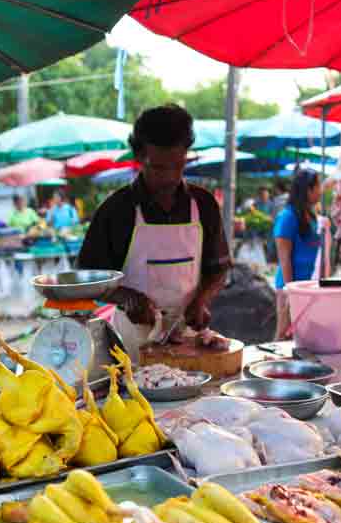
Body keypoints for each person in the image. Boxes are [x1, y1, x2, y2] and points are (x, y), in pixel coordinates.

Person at [78, 104, 231, 349]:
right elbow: (87, 278)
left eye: (178, 166)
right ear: (139, 158)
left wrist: (201, 300)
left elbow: (219, 268)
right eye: (158, 168)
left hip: (189, 339)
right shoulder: (116, 210)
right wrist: (126, 297)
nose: (170, 177)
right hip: (131, 342)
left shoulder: (204, 205)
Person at [273, 169, 325, 336]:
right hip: (290, 289)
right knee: (284, 336)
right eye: (318, 186)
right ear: (308, 190)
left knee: (304, 337)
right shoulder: (287, 217)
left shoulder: (312, 216)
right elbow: (285, 259)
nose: (321, 190)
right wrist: (291, 293)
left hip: (309, 286)